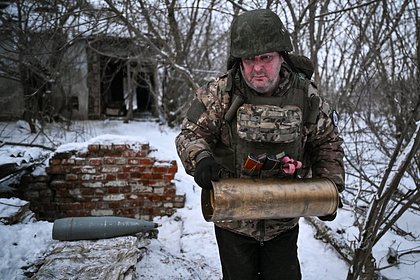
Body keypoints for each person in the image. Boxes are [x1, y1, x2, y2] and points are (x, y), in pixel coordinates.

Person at [175, 9, 345, 280]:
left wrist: (330, 191)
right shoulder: (221, 93)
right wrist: (201, 159)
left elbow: (327, 143)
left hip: (284, 222)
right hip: (233, 222)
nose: (257, 68)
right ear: (238, 60)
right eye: (249, 59)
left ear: (281, 56)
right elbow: (190, 135)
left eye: (266, 58)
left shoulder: (306, 97)